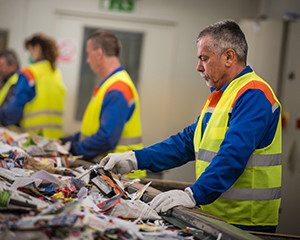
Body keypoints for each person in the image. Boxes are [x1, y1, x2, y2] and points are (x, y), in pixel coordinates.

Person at [100, 20, 282, 232]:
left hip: (245, 224)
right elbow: (186, 143)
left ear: (229, 57)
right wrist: (135, 158)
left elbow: (233, 154)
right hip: (214, 217)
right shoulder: (220, 96)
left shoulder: (254, 94)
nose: (198, 67)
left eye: (204, 59)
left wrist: (194, 194)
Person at [60, 30, 145, 178]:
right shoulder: (111, 85)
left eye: (88, 54)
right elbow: (95, 129)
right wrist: (69, 140)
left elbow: (106, 139)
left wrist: (73, 149)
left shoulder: (118, 88)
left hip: (121, 176)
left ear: (98, 54)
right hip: (113, 173)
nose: (87, 60)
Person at [0, 33, 66, 139]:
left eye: (30, 50)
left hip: (33, 140)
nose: (29, 54)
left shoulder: (30, 73)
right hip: (54, 140)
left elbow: (13, 112)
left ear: (37, 48)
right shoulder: (56, 74)